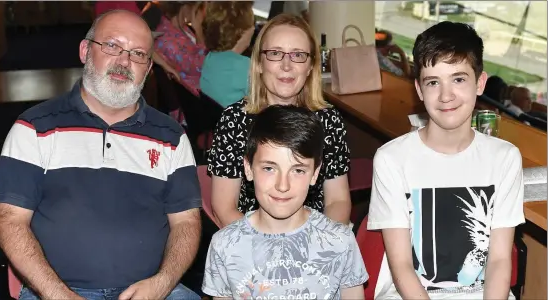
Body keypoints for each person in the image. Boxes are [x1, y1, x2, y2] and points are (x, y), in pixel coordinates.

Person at [0, 10, 202, 300]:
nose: (124, 61)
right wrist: (59, 295)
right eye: (112, 46)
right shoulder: (34, 127)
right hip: (54, 292)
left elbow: (187, 223)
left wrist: (161, 284)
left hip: (152, 291)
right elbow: (10, 221)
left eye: (138, 53)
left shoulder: (171, 136)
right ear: (85, 50)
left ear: (149, 68)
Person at [367, 21, 524, 299]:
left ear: (480, 83)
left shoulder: (505, 158)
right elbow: (402, 266)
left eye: (459, 79)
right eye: (433, 82)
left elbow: (499, 261)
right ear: (419, 90)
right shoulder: (392, 159)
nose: (446, 95)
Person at [202, 105, 368, 299]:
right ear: (248, 168)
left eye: (298, 170)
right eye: (269, 168)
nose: (283, 185)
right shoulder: (224, 245)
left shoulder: (341, 241)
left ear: (315, 173)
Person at [207, 14, 352, 228]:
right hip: (251, 240)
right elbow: (224, 208)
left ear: (311, 66)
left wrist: (320, 245)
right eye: (275, 54)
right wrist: (268, 249)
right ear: (258, 64)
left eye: (298, 55)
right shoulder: (234, 121)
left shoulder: (329, 121)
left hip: (314, 238)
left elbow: (337, 201)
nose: (287, 65)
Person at [200, 1, 255, 108]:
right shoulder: (245, 66)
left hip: (212, 120)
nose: (253, 28)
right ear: (242, 30)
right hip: (237, 123)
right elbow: (263, 103)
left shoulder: (210, 57)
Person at [154, 1, 207, 96]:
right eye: (198, 8)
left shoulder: (182, 28)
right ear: (186, 8)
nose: (202, 13)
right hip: (199, 99)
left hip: (205, 89)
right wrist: (199, 30)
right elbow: (202, 67)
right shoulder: (167, 40)